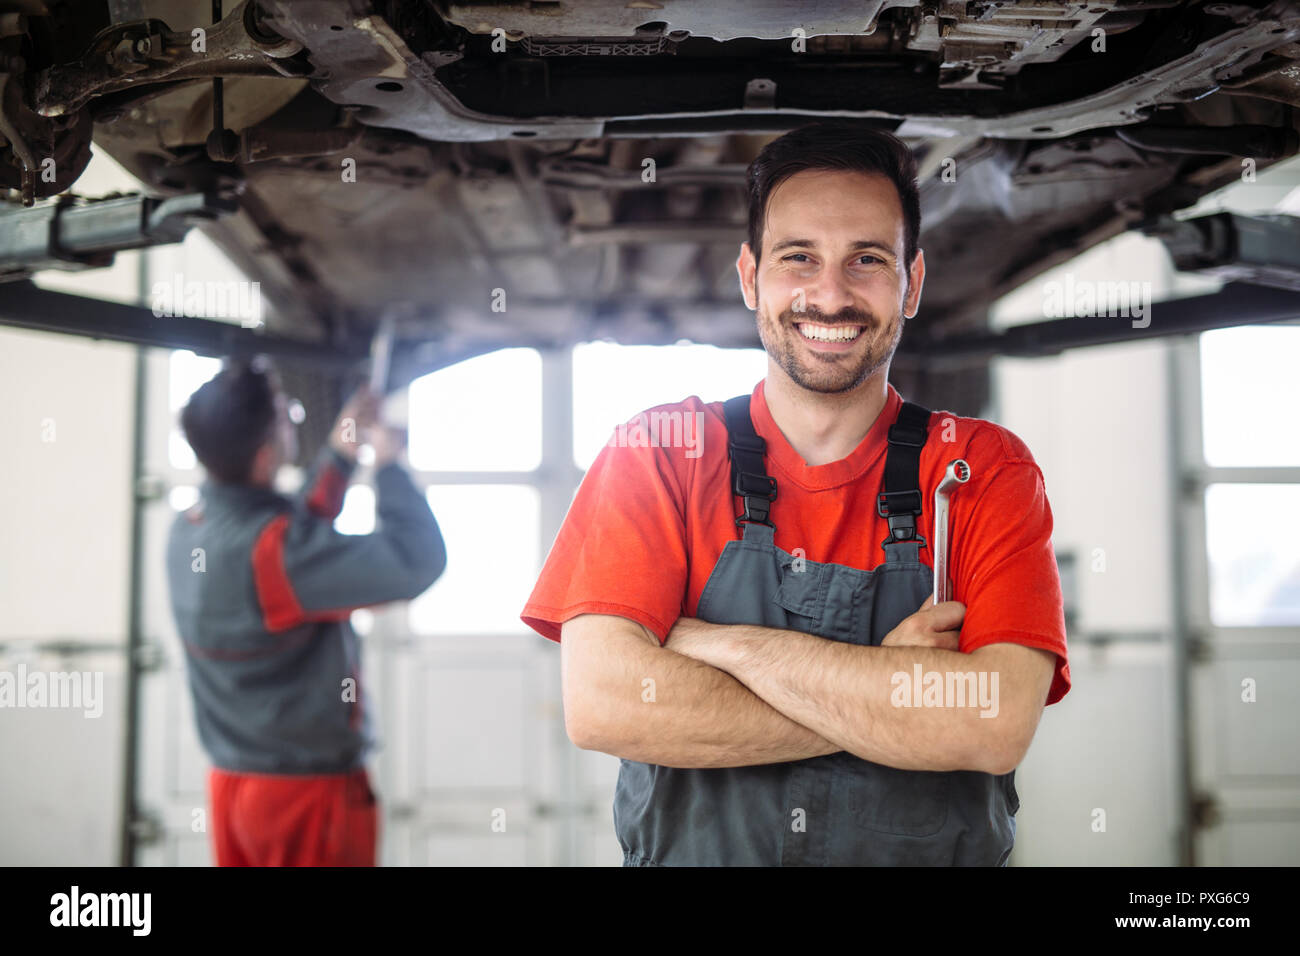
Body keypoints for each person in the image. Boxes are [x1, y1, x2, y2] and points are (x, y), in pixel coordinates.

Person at [521, 122, 1070, 866]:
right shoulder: (659, 453)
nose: (830, 294)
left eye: (868, 259)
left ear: (913, 282)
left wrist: (725, 646)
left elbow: (991, 722)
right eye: (798, 257)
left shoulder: (982, 470)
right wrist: (890, 683)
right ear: (751, 277)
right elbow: (606, 704)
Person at [167, 359, 446, 866]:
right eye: (284, 413)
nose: (293, 416)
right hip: (304, 799)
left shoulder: (190, 527)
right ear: (267, 453)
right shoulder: (277, 552)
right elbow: (415, 560)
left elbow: (286, 530)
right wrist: (389, 464)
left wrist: (342, 450)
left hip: (233, 788)